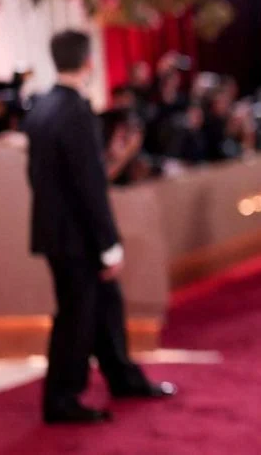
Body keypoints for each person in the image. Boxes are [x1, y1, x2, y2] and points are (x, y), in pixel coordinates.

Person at [22, 30, 175, 425]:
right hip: (79, 237)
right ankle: (61, 399)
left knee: (105, 306)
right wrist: (108, 244)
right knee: (77, 316)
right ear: (88, 61)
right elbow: (89, 184)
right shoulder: (74, 111)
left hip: (57, 231)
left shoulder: (41, 107)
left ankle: (123, 377)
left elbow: (43, 176)